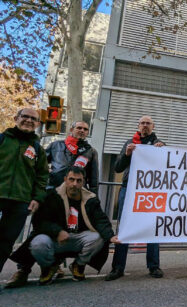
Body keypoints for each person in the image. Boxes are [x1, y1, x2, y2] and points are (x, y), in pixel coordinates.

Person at [8, 167, 120, 286]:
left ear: (83, 182)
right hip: (55, 239)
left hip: (77, 238)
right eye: (71, 180)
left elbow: (100, 220)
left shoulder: (90, 199)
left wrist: (110, 236)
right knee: (37, 243)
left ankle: (78, 265)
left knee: (98, 238)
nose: (74, 184)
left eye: (78, 181)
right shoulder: (53, 196)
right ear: (65, 179)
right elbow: (40, 222)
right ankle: (49, 267)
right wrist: (57, 232)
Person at [105, 116, 165, 281]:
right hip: (129, 188)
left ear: (153, 126)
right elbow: (118, 168)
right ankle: (118, 267)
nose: (145, 125)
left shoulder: (159, 144)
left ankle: (154, 266)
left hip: (151, 191)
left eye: (148, 123)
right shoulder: (129, 143)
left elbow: (167, 166)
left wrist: (162, 151)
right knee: (124, 226)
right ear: (138, 126)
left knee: (152, 225)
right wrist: (127, 154)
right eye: (142, 123)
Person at [0, 108, 49, 289]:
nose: (29, 120)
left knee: (6, 242)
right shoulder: (2, 139)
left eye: (33, 118)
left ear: (37, 124)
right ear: (16, 118)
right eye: (25, 116)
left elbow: (42, 176)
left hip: (20, 201)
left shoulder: (38, 149)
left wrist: (37, 198)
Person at [45, 121, 99, 193]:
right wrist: (49, 171)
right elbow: (40, 164)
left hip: (77, 192)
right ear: (71, 130)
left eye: (85, 129)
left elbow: (94, 179)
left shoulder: (91, 151)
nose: (82, 130)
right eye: (79, 128)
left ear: (87, 133)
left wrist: (94, 197)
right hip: (54, 189)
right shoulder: (55, 145)